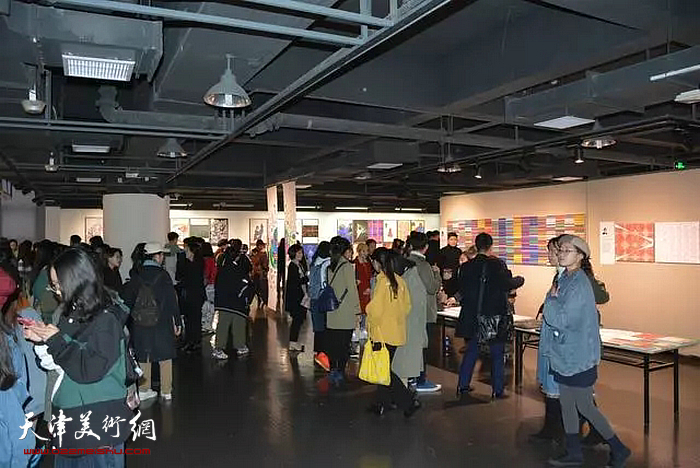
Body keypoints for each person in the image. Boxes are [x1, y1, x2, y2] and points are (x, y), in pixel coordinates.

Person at [23, 248, 133, 466]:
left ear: (77, 281)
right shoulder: (69, 314)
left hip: (99, 423)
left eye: (58, 284)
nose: (56, 291)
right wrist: (43, 340)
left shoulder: (107, 319)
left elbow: (89, 370)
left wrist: (55, 340)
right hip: (70, 418)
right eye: (53, 285)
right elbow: (61, 365)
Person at [543, 235, 630, 467]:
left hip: (578, 355)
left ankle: (619, 448)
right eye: (560, 250)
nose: (561, 254)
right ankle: (574, 452)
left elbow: (561, 319)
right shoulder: (566, 277)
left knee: (584, 406)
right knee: (567, 404)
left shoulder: (579, 283)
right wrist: (553, 300)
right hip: (566, 354)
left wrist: (551, 301)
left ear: (580, 256)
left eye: (567, 251)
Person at [456, 232, 524, 399]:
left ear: (476, 245)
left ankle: (463, 385)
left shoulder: (466, 267)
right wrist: (520, 280)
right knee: (497, 353)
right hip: (493, 316)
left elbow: (463, 289)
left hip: (472, 315)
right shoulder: (496, 265)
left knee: (471, 351)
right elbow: (507, 284)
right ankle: (497, 389)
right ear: (490, 247)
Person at [122, 242, 181, 401]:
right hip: (162, 321)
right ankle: (166, 390)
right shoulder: (163, 275)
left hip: (140, 322)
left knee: (143, 355)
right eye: (161, 255)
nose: (163, 258)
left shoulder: (136, 274)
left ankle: (144, 389)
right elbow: (172, 300)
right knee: (165, 356)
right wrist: (177, 321)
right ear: (156, 256)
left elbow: (128, 300)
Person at [366, 247, 417, 417]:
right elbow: (407, 306)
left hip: (382, 333)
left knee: (384, 371)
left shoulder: (382, 282)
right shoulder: (400, 281)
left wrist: (369, 315)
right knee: (384, 368)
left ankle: (408, 402)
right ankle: (383, 403)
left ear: (377, 263)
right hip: (396, 332)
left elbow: (375, 310)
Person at [407, 231, 443, 393]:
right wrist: (437, 274)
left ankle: (410, 377)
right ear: (426, 247)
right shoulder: (423, 265)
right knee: (423, 347)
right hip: (424, 311)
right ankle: (421, 379)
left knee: (410, 345)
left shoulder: (405, 261)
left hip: (408, 309)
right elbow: (432, 288)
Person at [325, 236, 360, 387]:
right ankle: (340, 372)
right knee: (344, 345)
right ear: (345, 251)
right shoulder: (347, 267)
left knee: (333, 344)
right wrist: (357, 311)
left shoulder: (330, 267)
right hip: (345, 311)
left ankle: (333, 371)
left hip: (332, 310)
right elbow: (352, 290)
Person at [213, 239, 253, 360]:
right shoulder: (240, 264)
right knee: (238, 322)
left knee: (223, 323)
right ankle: (239, 345)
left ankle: (219, 348)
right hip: (238, 301)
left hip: (223, 300)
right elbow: (247, 276)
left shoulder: (222, 262)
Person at [179, 238, 206, 353]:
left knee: (193, 319)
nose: (185, 252)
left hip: (193, 295)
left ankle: (193, 341)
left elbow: (183, 278)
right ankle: (192, 341)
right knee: (191, 318)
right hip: (193, 295)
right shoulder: (194, 263)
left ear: (192, 251)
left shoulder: (195, 265)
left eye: (187, 250)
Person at [308, 241, 331, 371]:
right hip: (323, 298)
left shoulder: (314, 263)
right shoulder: (328, 263)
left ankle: (317, 353)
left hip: (314, 299)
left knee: (318, 328)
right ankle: (324, 355)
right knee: (326, 327)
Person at [286, 244, 309, 352]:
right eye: (299, 253)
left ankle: (294, 342)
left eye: (301, 252)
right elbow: (296, 282)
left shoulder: (298, 265)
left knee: (298, 321)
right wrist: (307, 278)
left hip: (301, 297)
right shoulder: (293, 266)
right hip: (296, 298)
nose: (301, 255)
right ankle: (292, 342)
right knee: (296, 321)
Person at [438, 232, 462, 297]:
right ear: (448, 240)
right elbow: (439, 264)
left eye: (455, 239)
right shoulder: (443, 251)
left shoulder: (459, 251)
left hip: (456, 275)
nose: (453, 241)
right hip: (446, 275)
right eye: (451, 239)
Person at [202, 243, 217, 334]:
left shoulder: (203, 260)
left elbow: (206, 274)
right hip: (212, 284)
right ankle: (208, 324)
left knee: (205, 304)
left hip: (206, 285)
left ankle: (204, 323)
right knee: (211, 305)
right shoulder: (212, 260)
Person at [354, 243, 373, 315]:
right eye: (363, 251)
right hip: (360, 288)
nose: (365, 253)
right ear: (359, 251)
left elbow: (370, 276)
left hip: (368, 287)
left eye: (366, 251)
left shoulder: (368, 263)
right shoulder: (355, 263)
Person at [251, 239, 269, 311]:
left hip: (257, 273)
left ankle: (261, 299)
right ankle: (261, 299)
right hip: (258, 273)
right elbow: (263, 264)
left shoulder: (256, 253)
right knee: (259, 288)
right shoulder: (260, 254)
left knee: (259, 288)